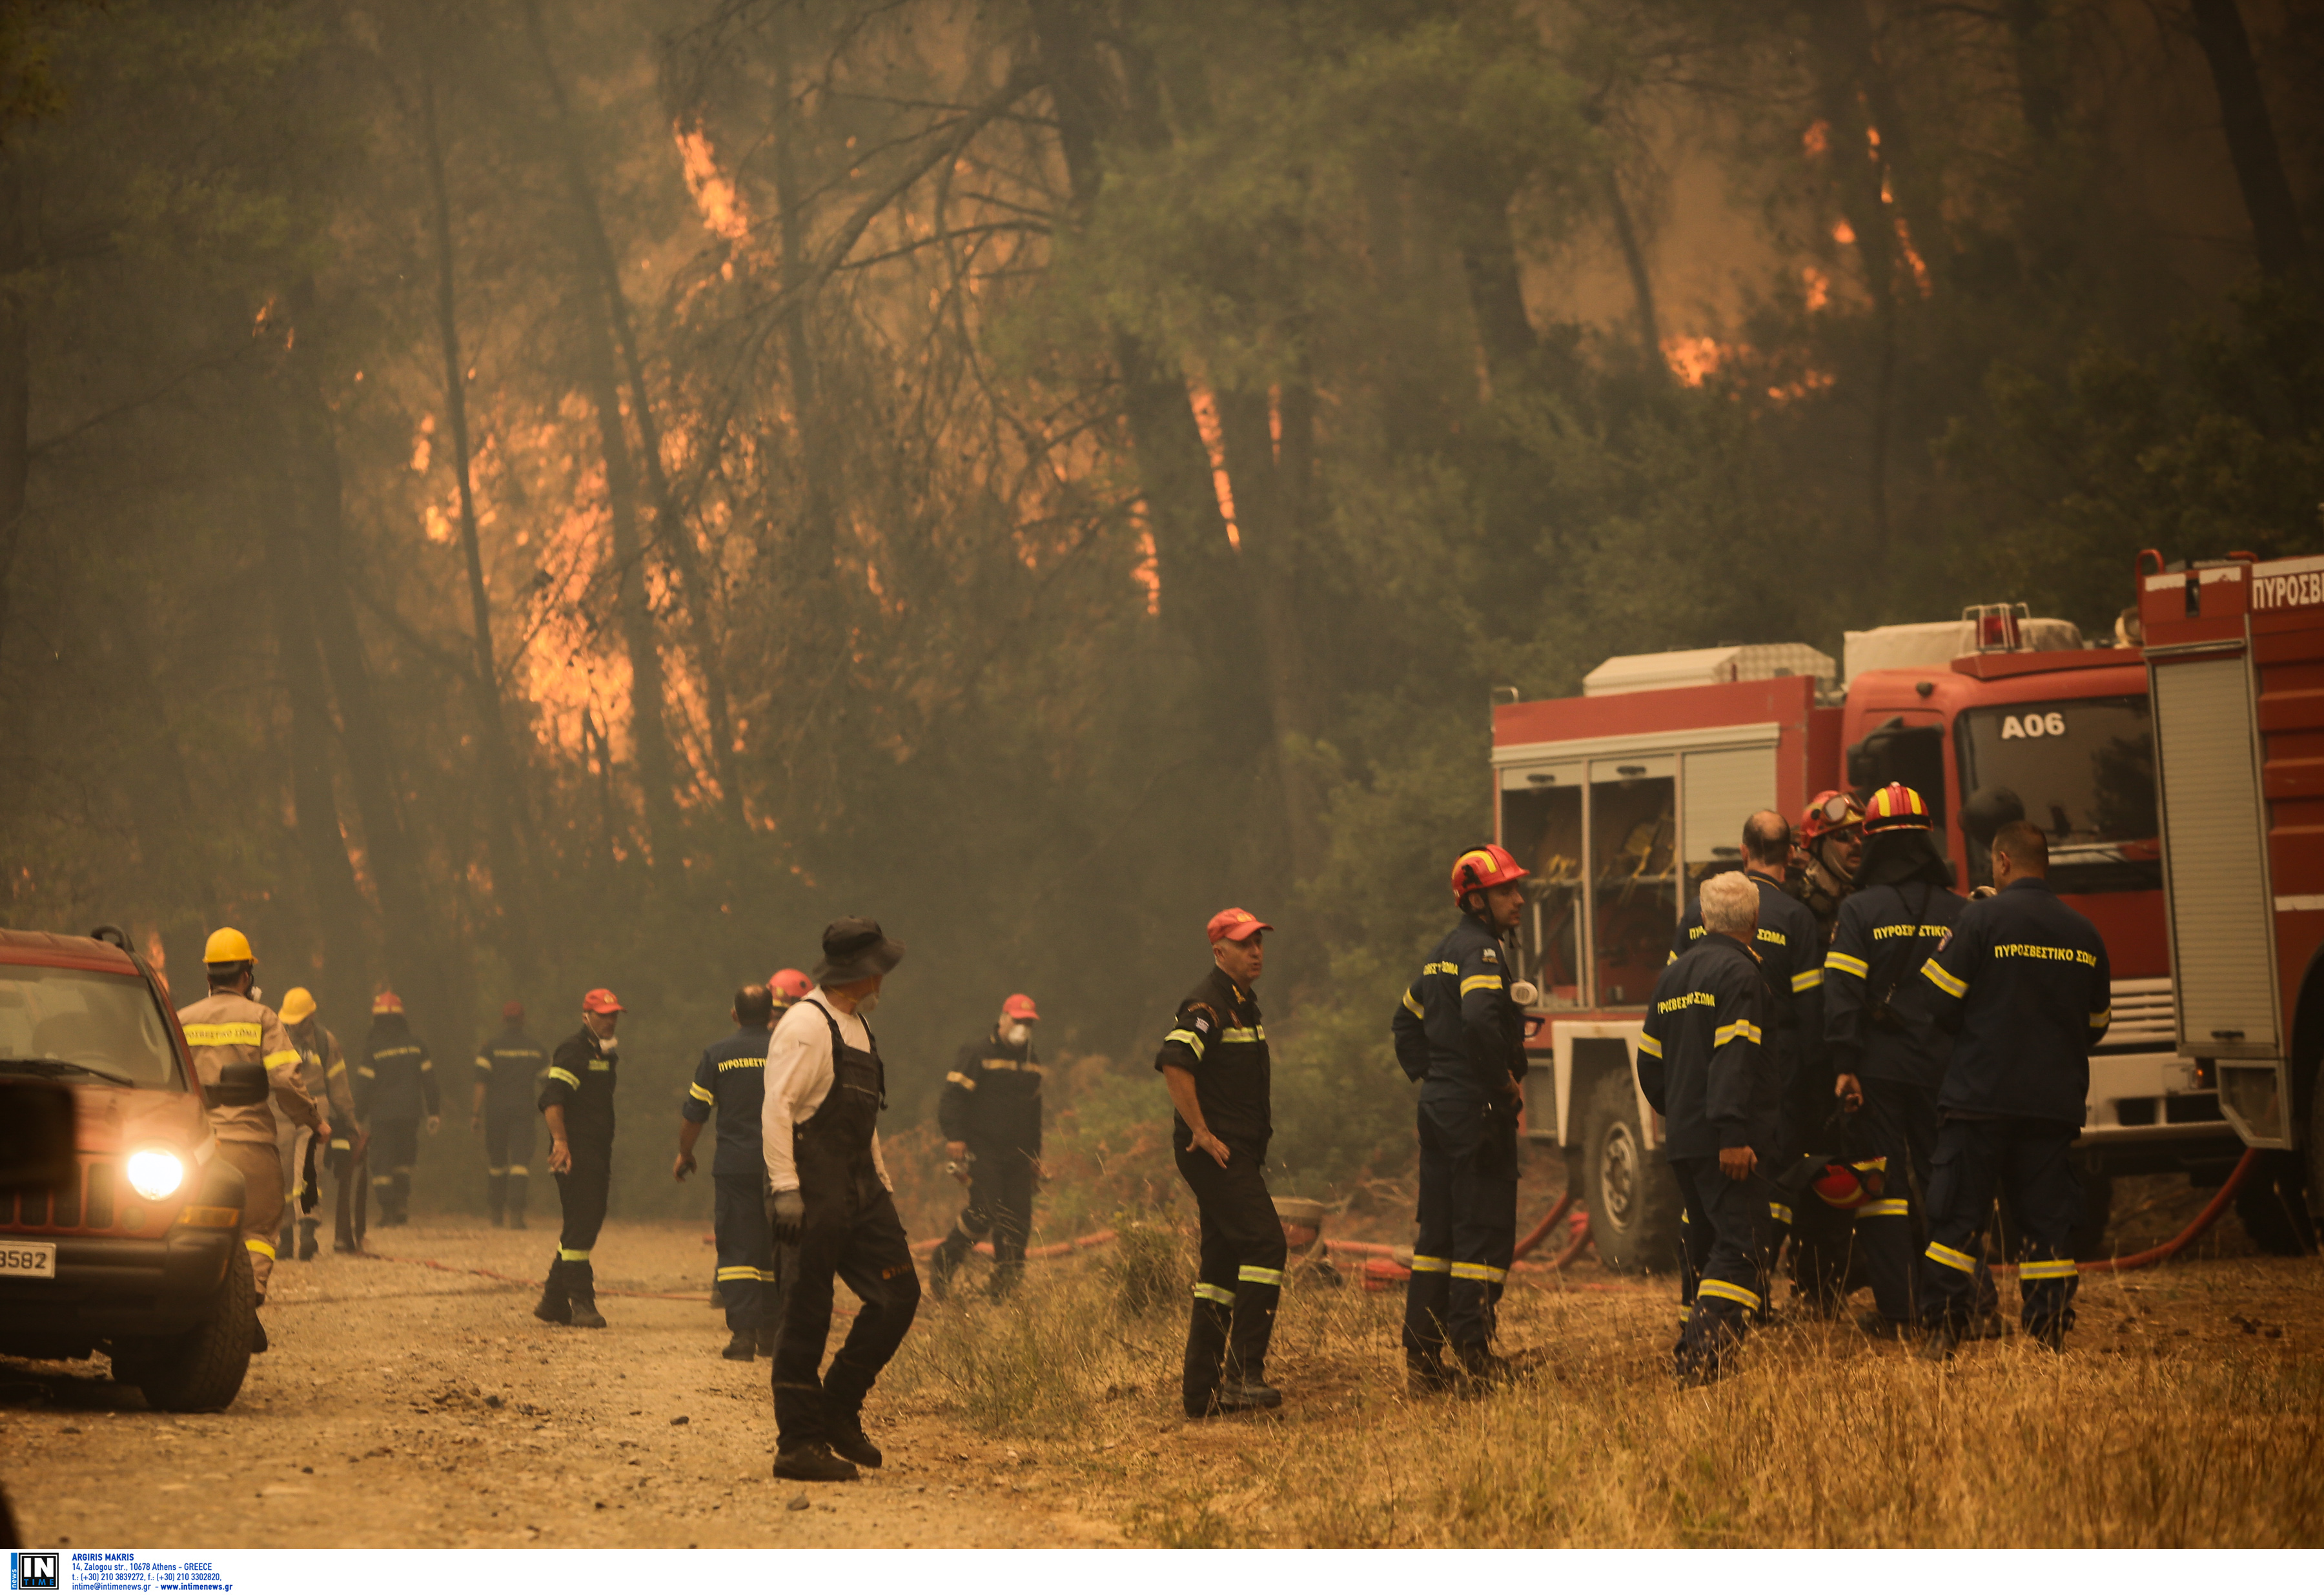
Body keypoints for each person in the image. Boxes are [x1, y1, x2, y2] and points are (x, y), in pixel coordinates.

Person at [1915, 821, 2111, 1357]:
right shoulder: (2084, 932)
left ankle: (1944, 1330)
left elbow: (1938, 1002)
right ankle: (2048, 1332)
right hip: (2051, 1104)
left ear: (2001, 862)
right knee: (2047, 1224)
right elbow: (2097, 1023)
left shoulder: (1979, 918)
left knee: (1957, 1217)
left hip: (1979, 1099)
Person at [763, 919, 919, 1483]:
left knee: (899, 1293)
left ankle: (838, 1406)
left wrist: (880, 1177)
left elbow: (863, 1116)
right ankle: (798, 1444)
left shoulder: (858, 1026)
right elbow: (778, 1107)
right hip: (811, 1182)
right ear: (861, 972)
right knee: (807, 1311)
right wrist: (784, 1189)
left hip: (860, 1184)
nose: (885, 977)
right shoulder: (806, 1025)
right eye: (880, 968)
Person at [1669, 813, 1840, 1318]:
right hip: (1773, 1075)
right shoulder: (1796, 918)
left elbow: (1675, 1002)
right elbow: (1810, 1013)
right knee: (1767, 1189)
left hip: (1700, 1081)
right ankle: (1749, 1298)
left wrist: (1676, 1095)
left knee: (1702, 1202)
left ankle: (1698, 1303)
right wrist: (1816, 1085)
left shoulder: (1694, 916)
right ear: (1790, 854)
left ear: (1744, 852)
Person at [1823, 782, 1970, 1337]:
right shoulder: (1961, 911)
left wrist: (1844, 1063)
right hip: (1946, 1069)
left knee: (1880, 1187)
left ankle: (1901, 1308)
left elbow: (1841, 993)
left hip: (1878, 1071)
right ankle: (1964, 1301)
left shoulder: (1859, 910)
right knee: (1947, 1180)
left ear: (1875, 842)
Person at [1391, 846, 1529, 1393]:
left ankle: (1423, 1361)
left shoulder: (1439, 954)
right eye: (1505, 891)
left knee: (1439, 1235)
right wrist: (1498, 1081)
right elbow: (1476, 1018)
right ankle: (1474, 1355)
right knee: (1481, 1231)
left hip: (1441, 1106)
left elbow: (1405, 1021)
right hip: (1474, 1110)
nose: (1518, 900)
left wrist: (1436, 1075)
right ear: (1476, 900)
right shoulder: (1483, 953)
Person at [1636, 872, 1777, 1383]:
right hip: (1727, 1142)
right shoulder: (1741, 975)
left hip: (1687, 1139)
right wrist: (1733, 1132)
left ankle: (1699, 1351)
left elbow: (1648, 1061)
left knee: (1705, 1242)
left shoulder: (1673, 976)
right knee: (1741, 1246)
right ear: (1756, 921)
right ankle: (1700, 1358)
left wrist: (1679, 1112)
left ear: (1703, 918)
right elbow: (1734, 1058)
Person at [1157, 908, 1287, 1417]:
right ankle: (1243, 1375)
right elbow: (1173, 1059)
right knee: (1266, 1242)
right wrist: (1201, 1130)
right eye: (1243, 943)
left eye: (1258, 941)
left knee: (1221, 1265)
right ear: (1219, 952)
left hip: (1237, 1151)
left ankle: (1203, 1392)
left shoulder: (1243, 1006)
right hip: (1216, 1153)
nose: (1255, 951)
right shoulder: (1208, 1005)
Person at [176, 928, 327, 1354]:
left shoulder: (183, 1019)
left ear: (209, 975)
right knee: (260, 1228)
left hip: (195, 1149)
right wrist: (314, 1120)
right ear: (246, 974)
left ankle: (192, 1309)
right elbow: (287, 1080)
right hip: (250, 1144)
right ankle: (247, 1304)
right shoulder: (262, 1018)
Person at [678, 982, 782, 1360]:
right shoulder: (788, 1052)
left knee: (738, 1250)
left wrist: (684, 1153)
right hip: (781, 1168)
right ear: (772, 1014)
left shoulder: (718, 1055)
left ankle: (743, 1337)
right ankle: (772, 1334)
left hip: (735, 1167)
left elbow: (695, 1113)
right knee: (776, 1248)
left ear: (734, 1015)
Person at [928, 993, 1046, 1302]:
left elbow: (1035, 1113)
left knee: (1018, 1221)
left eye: (1028, 1023)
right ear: (1003, 1019)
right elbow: (953, 1096)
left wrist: (1035, 1156)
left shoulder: (1032, 1061)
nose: (1023, 1028)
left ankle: (1003, 1292)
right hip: (983, 1148)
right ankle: (943, 1264)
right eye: (1019, 1021)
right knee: (984, 1211)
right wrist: (954, 1137)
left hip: (1019, 1155)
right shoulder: (977, 1052)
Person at [535, 988, 624, 1330]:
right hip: (575, 1153)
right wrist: (560, 1142)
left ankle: (553, 1301)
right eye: (603, 1015)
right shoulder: (574, 1051)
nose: (611, 1020)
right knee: (583, 1223)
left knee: (584, 1221)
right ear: (586, 1017)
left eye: (614, 1014)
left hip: (598, 1150)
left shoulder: (604, 1053)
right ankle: (581, 1302)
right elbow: (552, 1099)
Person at [277, 988, 358, 1262]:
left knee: (308, 1169)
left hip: (315, 1106)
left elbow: (338, 1083)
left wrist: (349, 1120)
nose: (294, 1025)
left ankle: (308, 1234)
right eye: (291, 1020)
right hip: (281, 1108)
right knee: (283, 1174)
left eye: (299, 1020)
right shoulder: (275, 1038)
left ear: (310, 1016)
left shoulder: (325, 1041)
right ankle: (285, 1239)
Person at [352, 993, 438, 1228]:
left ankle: (388, 1211)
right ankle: (401, 1204)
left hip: (382, 1116)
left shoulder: (373, 1048)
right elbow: (429, 1081)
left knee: (382, 1163)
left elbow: (363, 1086)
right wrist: (434, 1112)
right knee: (404, 1161)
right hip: (410, 1114)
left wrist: (357, 1116)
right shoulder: (417, 1045)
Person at [473, 1001, 547, 1229]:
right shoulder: (536, 1049)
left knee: (497, 1163)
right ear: (523, 1020)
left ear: (503, 1020)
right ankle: (516, 1215)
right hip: (524, 1112)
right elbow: (549, 1084)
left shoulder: (490, 1048)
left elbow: (481, 1083)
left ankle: (496, 1214)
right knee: (520, 1164)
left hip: (495, 1113)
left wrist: (475, 1114)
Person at [1790, 789, 1866, 947]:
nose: (1857, 843)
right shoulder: (1794, 905)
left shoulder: (1872, 899)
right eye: (1844, 835)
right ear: (1818, 845)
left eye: (1860, 835)